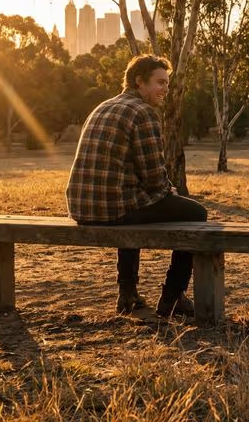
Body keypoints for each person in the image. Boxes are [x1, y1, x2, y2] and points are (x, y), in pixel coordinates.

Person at [66, 54, 207, 317]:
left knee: (132, 206)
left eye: (167, 83)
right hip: (112, 209)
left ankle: (128, 293)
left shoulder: (103, 106)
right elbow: (154, 178)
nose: (165, 89)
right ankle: (173, 296)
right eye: (159, 83)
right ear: (139, 82)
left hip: (81, 208)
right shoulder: (144, 113)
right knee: (197, 213)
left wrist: (161, 192)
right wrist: (169, 192)